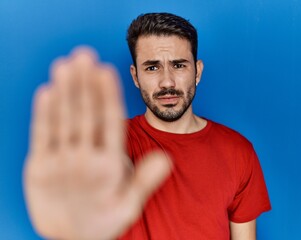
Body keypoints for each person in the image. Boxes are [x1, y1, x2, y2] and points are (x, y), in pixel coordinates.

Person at [23, 12, 271, 240]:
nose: (167, 81)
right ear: (135, 76)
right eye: (152, 67)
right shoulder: (108, 144)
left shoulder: (238, 151)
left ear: (197, 71)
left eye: (179, 65)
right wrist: (74, 230)